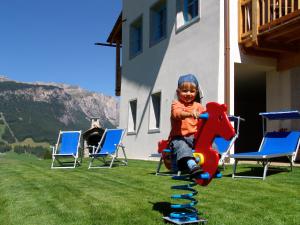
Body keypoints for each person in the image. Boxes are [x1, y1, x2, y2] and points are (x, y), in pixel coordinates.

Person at [169, 74, 205, 177]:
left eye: (192, 91)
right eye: (185, 91)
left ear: (196, 92)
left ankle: (211, 165)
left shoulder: (198, 106)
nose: (188, 94)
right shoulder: (176, 104)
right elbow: (177, 114)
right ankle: (192, 165)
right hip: (178, 137)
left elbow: (207, 114)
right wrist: (190, 113)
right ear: (178, 92)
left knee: (210, 143)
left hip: (194, 138)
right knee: (182, 146)